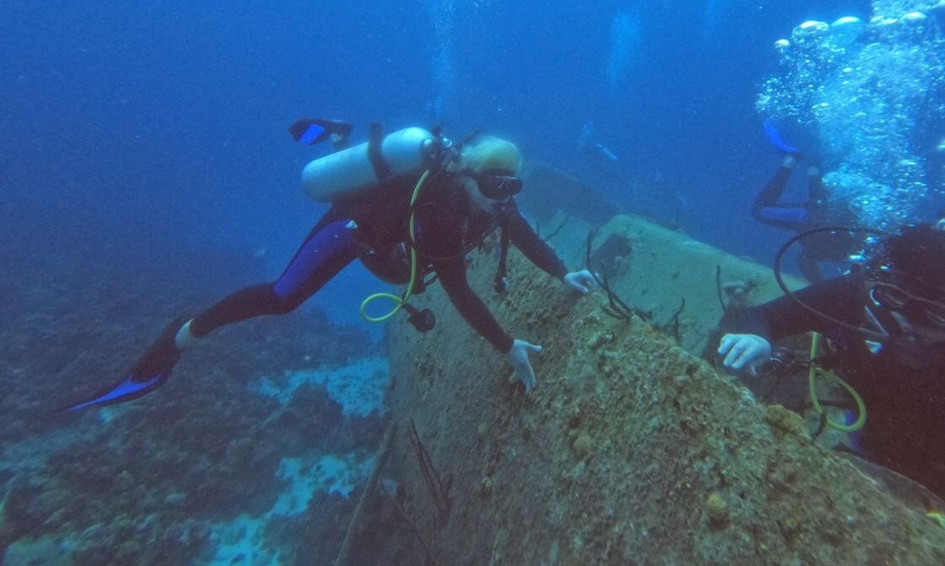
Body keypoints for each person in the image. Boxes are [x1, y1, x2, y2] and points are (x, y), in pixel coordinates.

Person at [65, 123, 597, 410]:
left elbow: (521, 230)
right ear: (469, 176)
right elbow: (457, 289)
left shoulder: (492, 198)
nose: (503, 201)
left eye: (511, 189)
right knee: (281, 299)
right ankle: (181, 334)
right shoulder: (440, 206)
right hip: (353, 231)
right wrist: (508, 346)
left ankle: (341, 137)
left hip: (395, 250)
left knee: (483, 227)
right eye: (495, 188)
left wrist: (561, 271)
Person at [717, 221, 945, 561]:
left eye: (937, 316)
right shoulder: (860, 295)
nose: (909, 325)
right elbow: (766, 316)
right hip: (876, 455)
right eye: (896, 301)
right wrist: (757, 337)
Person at [752, 121, 854, 282]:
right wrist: (821, 291)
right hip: (814, 218)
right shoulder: (859, 249)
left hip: (829, 211)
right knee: (760, 211)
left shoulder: (870, 238)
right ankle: (793, 162)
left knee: (820, 202)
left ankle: (811, 166)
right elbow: (805, 259)